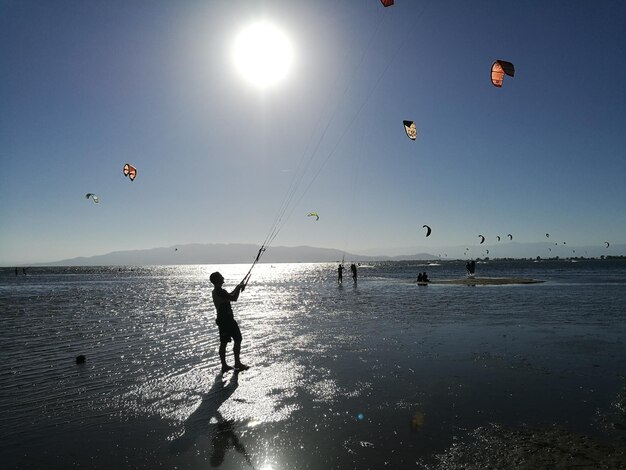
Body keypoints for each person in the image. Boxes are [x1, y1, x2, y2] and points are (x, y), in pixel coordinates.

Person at [209, 272, 249, 373]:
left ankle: (225, 365)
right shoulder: (219, 291)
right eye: (221, 276)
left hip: (222, 320)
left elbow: (230, 295)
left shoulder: (218, 291)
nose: (223, 277)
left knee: (224, 342)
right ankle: (237, 363)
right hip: (227, 320)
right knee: (238, 339)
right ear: (217, 280)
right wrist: (239, 287)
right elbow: (234, 298)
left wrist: (238, 288)